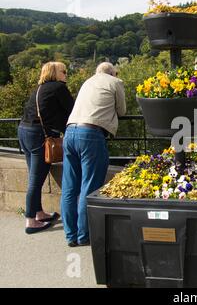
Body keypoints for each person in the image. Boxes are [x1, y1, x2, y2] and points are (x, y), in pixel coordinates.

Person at [60, 62, 126, 247]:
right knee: (88, 186)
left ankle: (70, 235)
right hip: (90, 134)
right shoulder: (115, 82)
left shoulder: (87, 82)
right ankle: (84, 235)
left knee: (69, 187)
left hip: (69, 132)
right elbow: (122, 110)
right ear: (113, 72)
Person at [18, 62, 74, 234]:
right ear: (55, 73)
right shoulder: (59, 87)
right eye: (63, 71)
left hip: (23, 131)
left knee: (34, 176)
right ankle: (30, 220)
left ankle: (39, 213)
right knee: (35, 180)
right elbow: (72, 110)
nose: (66, 74)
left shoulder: (39, 89)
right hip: (38, 136)